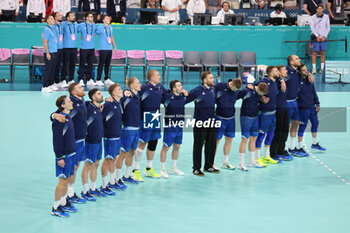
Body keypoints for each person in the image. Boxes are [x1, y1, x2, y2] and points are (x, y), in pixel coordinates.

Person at [51, 83, 88, 204]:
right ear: (73, 92)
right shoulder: (70, 101)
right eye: (79, 87)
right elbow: (57, 114)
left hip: (81, 140)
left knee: (75, 167)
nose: (82, 88)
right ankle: (67, 196)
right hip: (73, 142)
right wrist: (53, 115)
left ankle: (68, 195)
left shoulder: (82, 101)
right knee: (72, 170)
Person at [132, 70, 167, 181]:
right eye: (157, 75)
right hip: (145, 117)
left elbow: (168, 97)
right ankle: (135, 170)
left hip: (156, 116)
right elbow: (132, 95)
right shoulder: (144, 88)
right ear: (151, 78)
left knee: (153, 142)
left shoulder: (160, 87)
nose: (160, 76)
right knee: (142, 143)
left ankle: (148, 168)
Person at [186, 71, 219, 176]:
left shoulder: (213, 89)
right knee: (198, 145)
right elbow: (184, 99)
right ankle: (196, 168)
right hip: (200, 122)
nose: (213, 79)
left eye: (213, 77)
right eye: (211, 78)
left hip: (211, 121)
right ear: (205, 80)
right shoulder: (197, 91)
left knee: (211, 144)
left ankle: (208, 166)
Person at [51, 95, 77, 217]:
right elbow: (57, 140)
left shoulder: (68, 117)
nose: (71, 102)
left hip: (71, 154)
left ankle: (63, 202)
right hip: (64, 156)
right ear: (63, 105)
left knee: (66, 180)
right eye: (69, 101)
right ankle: (55, 207)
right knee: (62, 181)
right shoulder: (59, 120)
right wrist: (59, 157)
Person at [286, 55, 314, 157]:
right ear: (291, 62)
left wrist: (309, 74)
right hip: (286, 103)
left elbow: (303, 71)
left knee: (295, 124)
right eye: (297, 59)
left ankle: (292, 148)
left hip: (295, 102)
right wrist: (281, 81)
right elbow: (276, 77)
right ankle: (283, 149)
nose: (300, 60)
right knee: (285, 126)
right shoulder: (287, 71)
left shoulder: (296, 72)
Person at [238, 82, 269, 171]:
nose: (262, 96)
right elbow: (235, 96)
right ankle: (241, 163)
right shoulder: (246, 91)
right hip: (245, 118)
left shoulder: (258, 93)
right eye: (262, 94)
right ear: (258, 89)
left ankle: (251, 161)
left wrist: (262, 100)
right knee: (244, 139)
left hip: (255, 117)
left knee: (253, 139)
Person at [81, 89, 106, 199]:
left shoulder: (98, 108)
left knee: (96, 164)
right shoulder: (88, 107)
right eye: (99, 94)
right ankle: (85, 191)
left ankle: (93, 188)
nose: (101, 95)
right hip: (90, 141)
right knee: (88, 166)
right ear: (93, 97)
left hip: (99, 141)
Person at [159, 80, 187, 178]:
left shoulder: (183, 96)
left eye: (181, 85)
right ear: (174, 88)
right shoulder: (167, 97)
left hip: (180, 124)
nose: (181, 87)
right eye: (179, 86)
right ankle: (162, 169)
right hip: (170, 125)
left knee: (177, 146)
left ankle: (173, 168)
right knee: (166, 147)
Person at [100, 84, 124, 194]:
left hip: (117, 135)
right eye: (119, 89)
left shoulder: (118, 102)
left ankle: (112, 182)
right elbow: (101, 119)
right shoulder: (108, 104)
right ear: (113, 93)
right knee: (107, 160)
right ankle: (104, 185)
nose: (122, 90)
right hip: (110, 136)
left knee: (113, 158)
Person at [213, 78, 242, 170]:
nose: (236, 91)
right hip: (219, 118)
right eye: (235, 89)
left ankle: (225, 162)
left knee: (229, 140)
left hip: (231, 118)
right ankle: (212, 162)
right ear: (231, 84)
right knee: (216, 141)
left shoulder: (236, 90)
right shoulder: (219, 87)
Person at [255, 66, 280, 167]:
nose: (277, 72)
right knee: (261, 134)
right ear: (269, 73)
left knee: (271, 134)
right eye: (275, 71)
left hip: (273, 112)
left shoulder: (275, 82)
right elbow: (254, 88)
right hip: (264, 113)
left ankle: (266, 156)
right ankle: (257, 158)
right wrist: (261, 98)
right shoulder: (264, 81)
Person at [297, 63, 326, 151]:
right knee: (302, 127)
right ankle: (300, 147)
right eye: (304, 70)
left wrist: (317, 103)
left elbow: (314, 92)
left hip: (312, 108)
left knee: (315, 123)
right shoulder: (297, 81)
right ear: (299, 71)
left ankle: (314, 143)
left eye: (307, 70)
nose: (306, 71)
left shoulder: (309, 80)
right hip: (303, 109)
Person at [120, 77, 142, 184]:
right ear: (132, 85)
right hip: (128, 129)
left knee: (132, 152)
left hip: (137, 128)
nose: (140, 84)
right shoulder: (125, 96)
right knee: (123, 153)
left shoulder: (138, 96)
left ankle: (126, 175)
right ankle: (116, 178)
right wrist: (124, 92)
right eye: (137, 83)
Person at [270, 65, 294, 161]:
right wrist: (280, 79)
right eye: (284, 70)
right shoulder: (275, 83)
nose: (286, 71)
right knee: (278, 132)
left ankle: (281, 149)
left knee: (285, 131)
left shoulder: (284, 81)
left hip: (284, 109)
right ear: (279, 73)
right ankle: (273, 152)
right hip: (277, 110)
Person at [96, 15, 117, 86]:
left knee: (107, 64)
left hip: (109, 48)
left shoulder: (110, 27)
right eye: (107, 18)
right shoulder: (100, 28)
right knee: (101, 64)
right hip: (103, 49)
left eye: (109, 18)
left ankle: (106, 78)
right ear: (103, 20)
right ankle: (98, 79)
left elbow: (111, 37)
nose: (109, 19)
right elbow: (94, 34)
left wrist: (115, 46)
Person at [78, 12, 97, 86]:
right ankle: (80, 79)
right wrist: (82, 36)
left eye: (92, 16)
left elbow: (95, 32)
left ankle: (89, 79)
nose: (92, 18)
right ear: (86, 18)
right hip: (84, 48)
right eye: (90, 16)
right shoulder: (81, 25)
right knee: (82, 64)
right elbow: (76, 31)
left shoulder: (94, 25)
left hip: (91, 48)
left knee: (90, 64)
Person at [310, 4, 330, 74]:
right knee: (314, 53)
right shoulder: (313, 17)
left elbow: (328, 27)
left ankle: (322, 68)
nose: (319, 10)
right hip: (316, 37)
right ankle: (314, 68)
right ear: (316, 10)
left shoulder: (326, 17)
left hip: (323, 37)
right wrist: (317, 36)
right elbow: (312, 27)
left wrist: (325, 36)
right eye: (318, 9)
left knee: (323, 52)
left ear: (323, 10)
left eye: (321, 9)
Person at [42, 15, 58, 93]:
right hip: (49, 52)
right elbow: (45, 42)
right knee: (48, 69)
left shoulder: (53, 29)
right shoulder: (47, 29)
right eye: (51, 19)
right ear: (47, 21)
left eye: (53, 19)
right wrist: (47, 53)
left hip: (54, 51)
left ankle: (51, 84)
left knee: (53, 69)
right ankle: (45, 86)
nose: (53, 20)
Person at [62, 11, 79, 86]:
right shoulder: (64, 24)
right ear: (68, 18)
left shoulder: (76, 24)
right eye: (72, 16)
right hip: (66, 47)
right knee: (65, 64)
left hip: (74, 47)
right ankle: (63, 80)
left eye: (74, 15)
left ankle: (71, 79)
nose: (74, 17)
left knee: (73, 64)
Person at [53, 12, 68, 89]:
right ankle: (53, 82)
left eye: (61, 15)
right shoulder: (53, 25)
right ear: (55, 18)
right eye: (59, 15)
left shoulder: (63, 25)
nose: (61, 16)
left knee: (59, 65)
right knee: (54, 66)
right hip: (55, 49)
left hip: (61, 48)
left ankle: (57, 81)